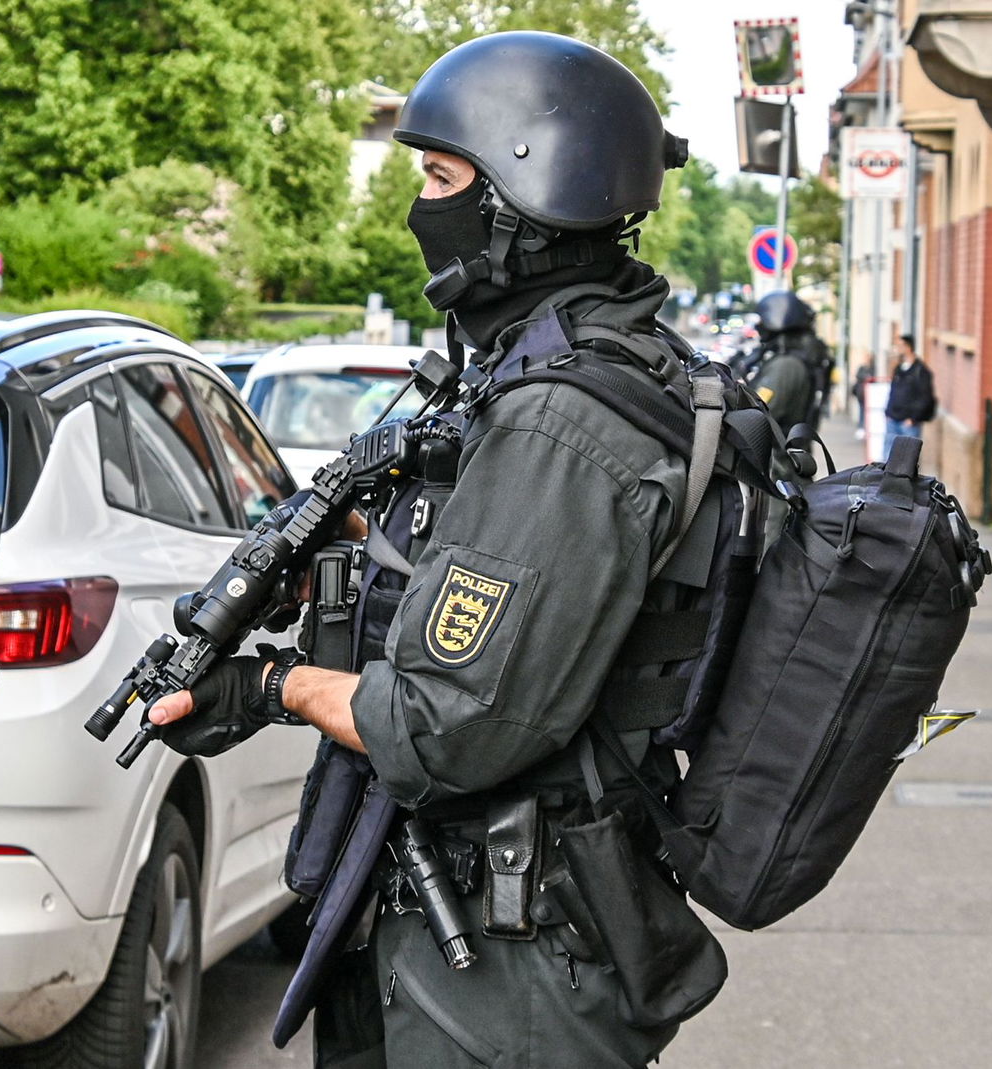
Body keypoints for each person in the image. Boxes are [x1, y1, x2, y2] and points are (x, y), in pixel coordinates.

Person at [147, 31, 726, 1068]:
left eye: (440, 177)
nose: (422, 207)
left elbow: (445, 721)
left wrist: (275, 687)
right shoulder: (576, 374)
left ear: (522, 192)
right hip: (495, 938)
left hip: (508, 964)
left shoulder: (563, 423)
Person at [746, 290, 824, 437]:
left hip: (775, 457)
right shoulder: (793, 360)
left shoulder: (786, 366)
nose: (759, 326)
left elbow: (756, 416)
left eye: (762, 320)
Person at [883, 333, 936, 458]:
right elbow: (893, 391)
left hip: (908, 422)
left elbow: (925, 397)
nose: (898, 349)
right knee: (887, 458)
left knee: (907, 459)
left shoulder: (920, 371)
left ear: (908, 347)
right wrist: (888, 413)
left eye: (900, 346)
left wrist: (913, 418)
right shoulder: (899, 369)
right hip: (893, 419)